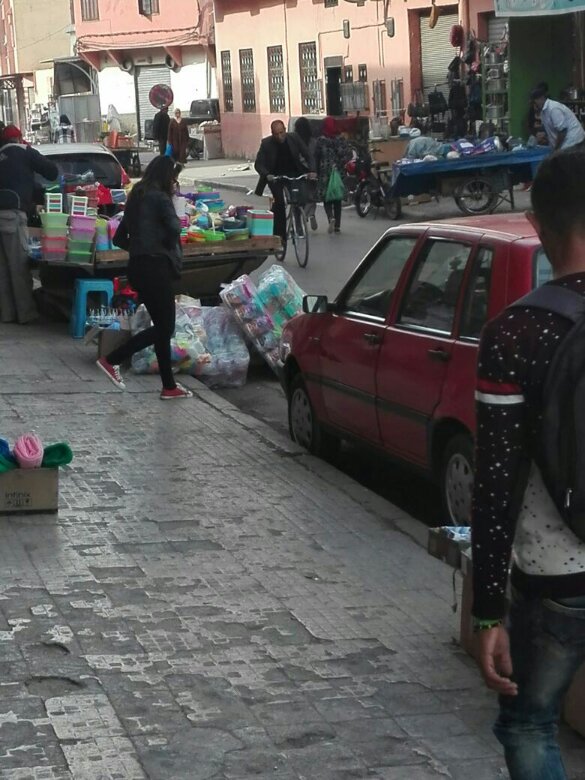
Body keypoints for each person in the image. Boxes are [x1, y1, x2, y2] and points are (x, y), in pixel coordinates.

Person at [472, 147, 585, 779]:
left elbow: (496, 484)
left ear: (538, 226)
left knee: (530, 721)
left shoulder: (516, 332)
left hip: (555, 579)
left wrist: (488, 610)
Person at [96, 156, 192, 400]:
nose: (174, 182)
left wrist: (140, 248)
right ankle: (112, 360)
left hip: (138, 267)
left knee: (161, 327)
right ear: (167, 177)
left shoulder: (136, 196)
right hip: (156, 268)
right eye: (173, 178)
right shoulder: (161, 198)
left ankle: (169, 386)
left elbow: (119, 238)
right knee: (165, 327)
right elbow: (175, 228)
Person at [0, 125, 58, 324]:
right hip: (13, 215)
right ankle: (26, 314)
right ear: (19, 138)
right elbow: (52, 172)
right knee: (18, 267)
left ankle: (7, 314)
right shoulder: (24, 152)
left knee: (2, 269)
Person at [254, 119, 314, 242]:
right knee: (280, 204)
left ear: (285, 130)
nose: (280, 136)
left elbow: (308, 154)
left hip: (293, 173)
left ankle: (298, 221)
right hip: (275, 177)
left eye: (281, 133)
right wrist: (267, 174)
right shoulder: (266, 143)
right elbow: (258, 164)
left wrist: (312, 170)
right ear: (272, 133)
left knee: (300, 197)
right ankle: (281, 237)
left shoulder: (294, 138)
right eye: (276, 134)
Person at [315, 116, 351, 234]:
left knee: (327, 197)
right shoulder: (340, 139)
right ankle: (337, 226)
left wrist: (316, 171)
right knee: (337, 198)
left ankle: (331, 217)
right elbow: (348, 155)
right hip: (338, 172)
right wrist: (340, 163)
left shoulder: (321, 141)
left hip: (325, 172)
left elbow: (316, 156)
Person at [531, 85, 585, 151]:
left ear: (541, 98)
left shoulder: (553, 108)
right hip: (565, 142)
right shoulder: (543, 111)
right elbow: (549, 128)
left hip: (573, 141)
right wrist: (541, 135)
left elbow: (562, 131)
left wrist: (556, 149)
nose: (534, 105)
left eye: (534, 102)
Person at [293, 116, 318, 231]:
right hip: (311, 171)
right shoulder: (313, 141)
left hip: (298, 172)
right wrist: (314, 171)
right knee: (311, 197)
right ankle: (310, 214)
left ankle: (299, 224)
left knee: (296, 200)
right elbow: (315, 157)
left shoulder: (294, 140)